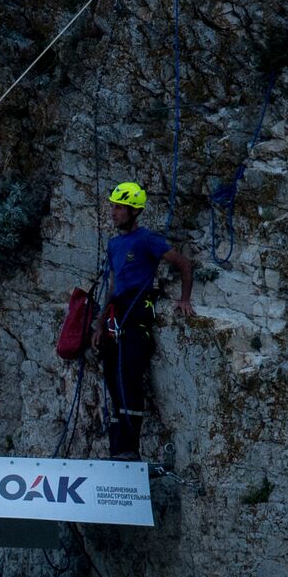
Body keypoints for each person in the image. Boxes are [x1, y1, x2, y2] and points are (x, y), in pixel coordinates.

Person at [91, 181, 194, 461]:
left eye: (118, 207)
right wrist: (100, 325)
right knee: (113, 383)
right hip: (116, 315)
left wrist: (184, 300)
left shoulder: (148, 240)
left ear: (133, 211)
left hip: (136, 314)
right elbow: (112, 285)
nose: (113, 212)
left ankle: (129, 450)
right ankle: (117, 451)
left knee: (129, 381)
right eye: (112, 206)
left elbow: (184, 264)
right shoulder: (114, 245)